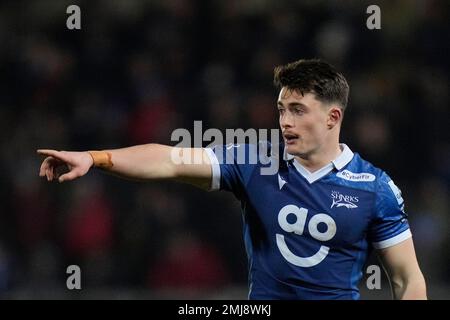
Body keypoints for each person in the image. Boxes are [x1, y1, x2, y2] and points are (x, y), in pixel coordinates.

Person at [37, 59, 427, 300]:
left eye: (297, 109)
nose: (285, 122)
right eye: (281, 110)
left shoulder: (374, 188)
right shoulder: (254, 162)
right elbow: (170, 160)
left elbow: (408, 279)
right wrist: (95, 157)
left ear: (333, 117)